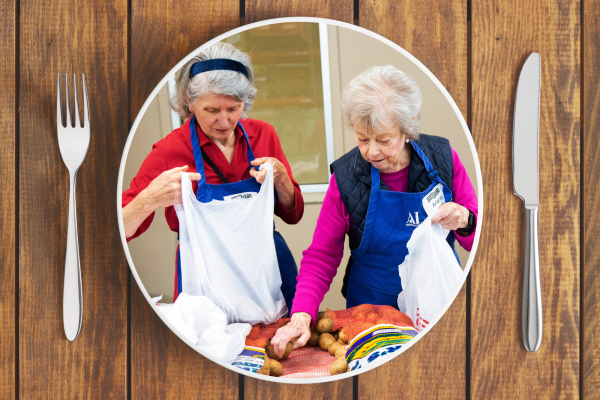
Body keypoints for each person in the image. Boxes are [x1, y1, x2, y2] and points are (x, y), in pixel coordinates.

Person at [270, 65, 478, 357]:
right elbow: (321, 257)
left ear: (408, 127)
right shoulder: (345, 177)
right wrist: (301, 315)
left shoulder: (444, 159)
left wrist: (465, 220)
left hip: (437, 304)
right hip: (370, 315)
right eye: (362, 139)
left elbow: (478, 239)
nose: (372, 152)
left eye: (383, 140)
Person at [122, 42, 304, 313]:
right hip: (205, 281)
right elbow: (121, 230)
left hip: (268, 269)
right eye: (212, 110)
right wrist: (149, 199)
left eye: (233, 109)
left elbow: (293, 215)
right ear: (189, 102)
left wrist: (281, 180)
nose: (224, 121)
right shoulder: (168, 151)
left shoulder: (264, 135)